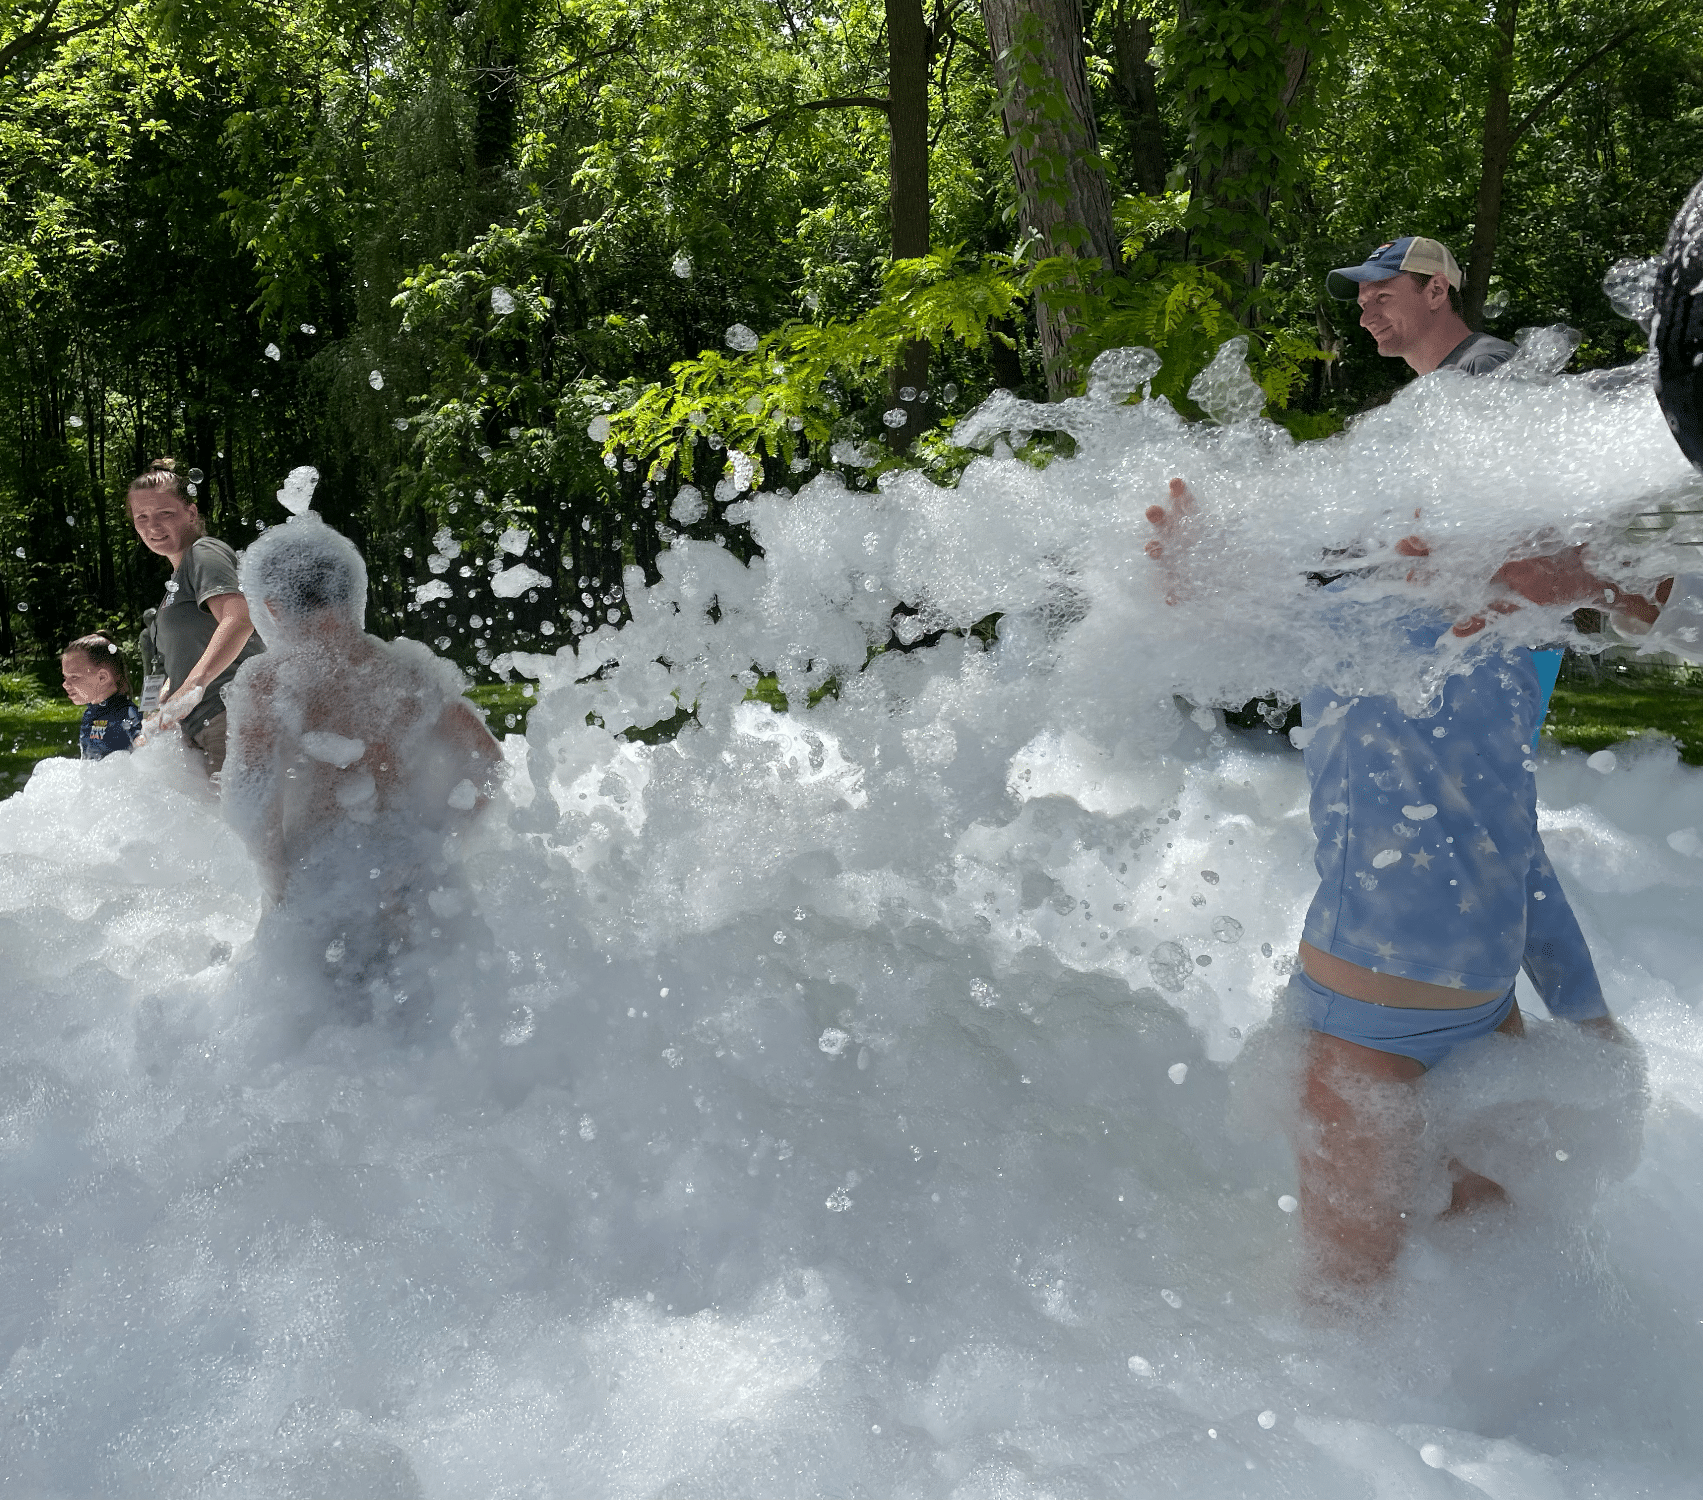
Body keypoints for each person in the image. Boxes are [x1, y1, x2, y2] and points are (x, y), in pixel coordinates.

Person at [1146, 236, 1665, 1292]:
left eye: (1383, 292)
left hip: (1425, 1012)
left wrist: (1590, 1022)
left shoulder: (1473, 615)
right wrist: (1589, 1019)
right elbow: (1300, 617)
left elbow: (1502, 821)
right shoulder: (1403, 642)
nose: (1366, 311)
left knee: (1402, 1309)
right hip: (1425, 1007)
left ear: (1438, 289)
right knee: (1417, 1297)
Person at [222, 511, 502, 1023]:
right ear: (354, 593)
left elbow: (252, 796)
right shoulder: (409, 670)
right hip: (416, 879)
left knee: (329, 1046)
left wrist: (275, 882)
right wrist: (442, 839)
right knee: (432, 1036)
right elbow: (487, 759)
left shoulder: (269, 682)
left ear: (273, 607)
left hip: (327, 887)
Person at [128, 458, 264, 776]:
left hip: (231, 715)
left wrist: (193, 688)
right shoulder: (173, 588)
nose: (152, 526)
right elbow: (179, 667)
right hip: (199, 724)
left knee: (241, 826)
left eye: (165, 514)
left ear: (190, 513)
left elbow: (240, 619)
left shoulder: (204, 552)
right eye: (142, 517)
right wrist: (158, 716)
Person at [61, 633, 143, 759]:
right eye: (65, 677)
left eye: (74, 677)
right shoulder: (90, 714)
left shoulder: (125, 714)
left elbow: (145, 748)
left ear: (102, 677)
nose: (65, 684)